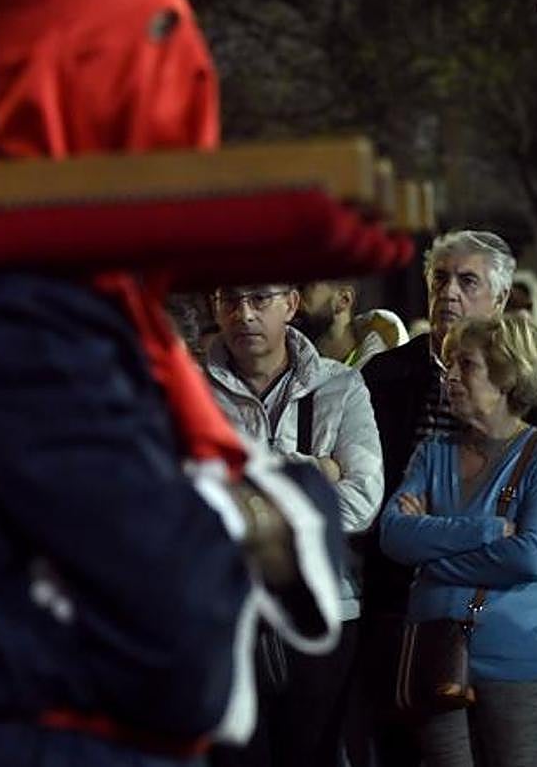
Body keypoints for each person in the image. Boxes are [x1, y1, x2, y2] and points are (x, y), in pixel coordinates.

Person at [0, 0, 344, 766]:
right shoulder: (12, 311)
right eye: (158, 53)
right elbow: (179, 622)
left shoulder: (46, 293)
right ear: (94, 78)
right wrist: (275, 504)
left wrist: (236, 512)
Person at [359, 230, 537, 767]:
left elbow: (534, 550)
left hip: (514, 642)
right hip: (409, 626)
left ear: (500, 299)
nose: (448, 293)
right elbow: (390, 530)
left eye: (467, 281)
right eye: (440, 279)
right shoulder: (386, 381)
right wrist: (481, 531)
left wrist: (430, 548)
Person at [205, 283, 383, 767]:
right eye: (229, 300)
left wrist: (250, 485)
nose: (243, 314)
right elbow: (187, 511)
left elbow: (364, 500)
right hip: (228, 617)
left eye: (259, 299)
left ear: (291, 304)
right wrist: (315, 473)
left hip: (325, 611)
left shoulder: (338, 386)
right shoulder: (195, 391)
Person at [293, 279, 408, 369]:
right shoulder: (294, 367)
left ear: (344, 300)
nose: (293, 300)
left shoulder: (383, 376)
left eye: (303, 288)